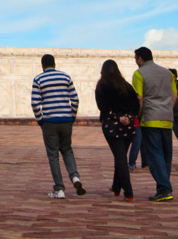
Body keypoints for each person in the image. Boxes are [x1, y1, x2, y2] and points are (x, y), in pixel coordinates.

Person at [30, 54, 84, 199]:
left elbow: (35, 103)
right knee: (67, 150)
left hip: (50, 122)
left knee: (53, 155)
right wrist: (72, 116)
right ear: (54, 64)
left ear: (42, 65)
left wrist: (41, 120)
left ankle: (59, 189)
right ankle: (75, 177)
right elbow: (75, 99)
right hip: (66, 120)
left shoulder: (39, 79)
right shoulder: (65, 77)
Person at [131, 46, 176, 202]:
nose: (136, 62)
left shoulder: (139, 74)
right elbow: (174, 95)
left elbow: (139, 99)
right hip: (167, 118)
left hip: (151, 118)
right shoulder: (168, 73)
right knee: (166, 155)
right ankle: (164, 187)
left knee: (155, 154)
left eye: (135, 58)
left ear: (141, 58)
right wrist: (167, 109)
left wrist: (137, 116)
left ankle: (164, 188)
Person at [94, 59, 136, 201]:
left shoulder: (101, 86)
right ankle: (116, 187)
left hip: (111, 126)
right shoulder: (126, 86)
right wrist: (128, 117)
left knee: (120, 157)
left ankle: (129, 192)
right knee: (121, 155)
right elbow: (135, 105)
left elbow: (103, 107)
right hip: (128, 126)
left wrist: (117, 117)